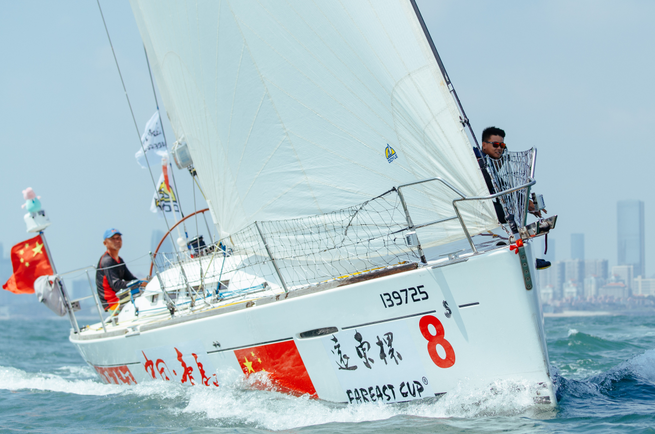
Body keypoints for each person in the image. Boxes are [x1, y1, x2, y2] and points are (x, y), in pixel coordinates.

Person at [475, 127, 551, 270]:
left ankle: (522, 253)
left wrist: (526, 203)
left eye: (502, 145)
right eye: (495, 145)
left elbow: (501, 185)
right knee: (507, 214)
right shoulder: (480, 164)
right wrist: (523, 203)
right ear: (484, 145)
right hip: (476, 210)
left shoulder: (490, 162)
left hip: (482, 208)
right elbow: (494, 186)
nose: (499, 148)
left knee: (509, 213)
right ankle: (518, 253)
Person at [96, 228, 140, 311]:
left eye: (119, 238)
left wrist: (142, 282)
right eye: (113, 239)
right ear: (105, 243)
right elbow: (116, 285)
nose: (117, 241)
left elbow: (131, 278)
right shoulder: (107, 261)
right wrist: (138, 284)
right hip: (113, 303)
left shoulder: (120, 260)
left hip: (121, 298)